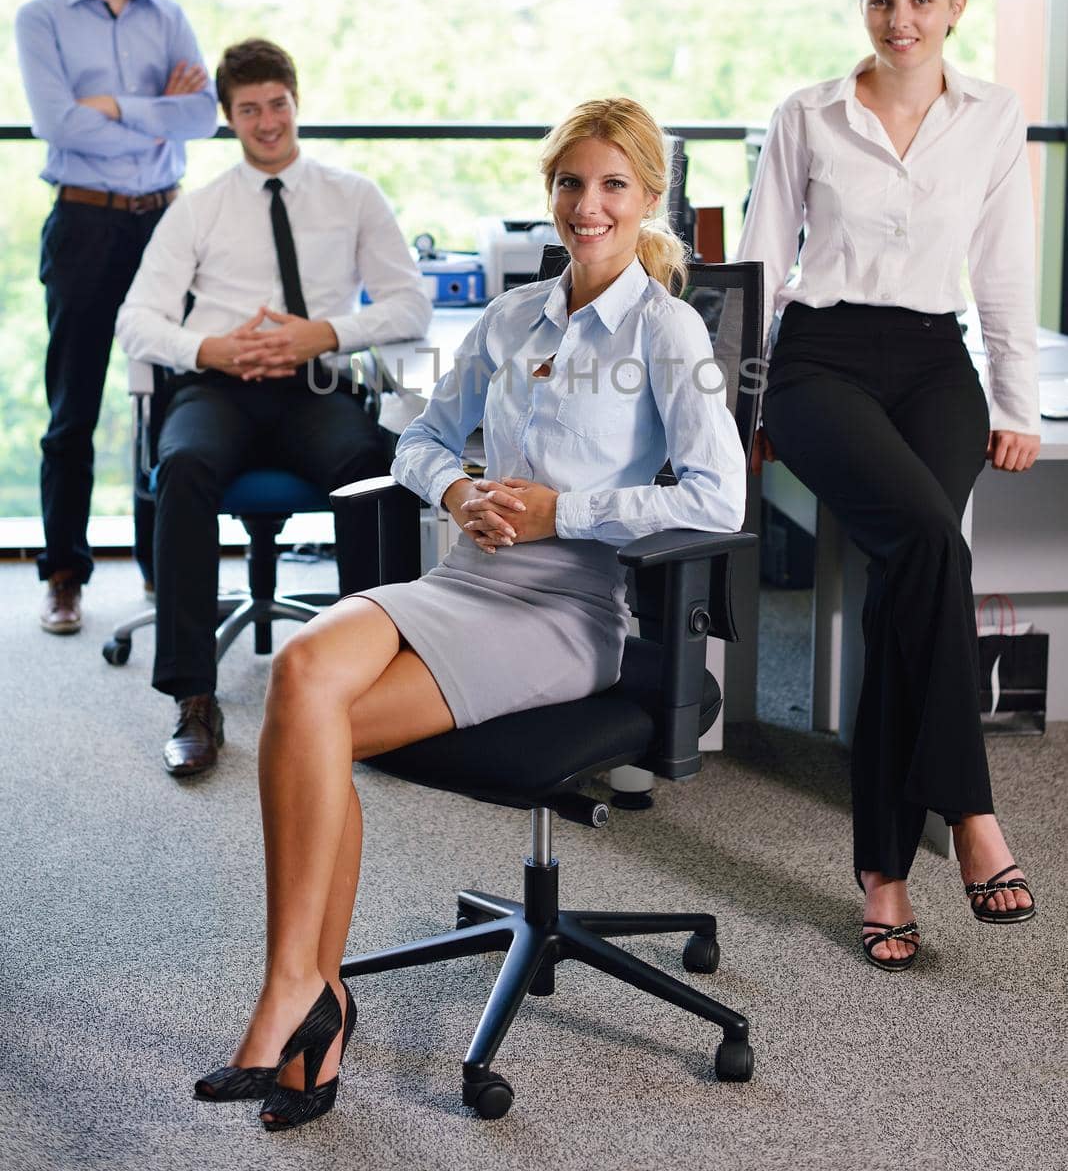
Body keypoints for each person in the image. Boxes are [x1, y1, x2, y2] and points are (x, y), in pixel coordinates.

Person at [191, 95, 747, 1131]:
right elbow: (420, 441)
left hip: (566, 611)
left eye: (613, 185)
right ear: (550, 193)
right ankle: (307, 989)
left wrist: (561, 509)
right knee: (303, 679)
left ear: (646, 199)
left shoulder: (667, 331)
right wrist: (456, 491)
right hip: (464, 584)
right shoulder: (509, 318)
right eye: (571, 183)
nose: (589, 205)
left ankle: (302, 1008)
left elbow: (719, 499)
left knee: (316, 723)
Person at [737, 0, 1040, 970]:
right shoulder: (809, 114)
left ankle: (883, 874)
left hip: (932, 360)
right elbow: (763, 261)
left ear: (955, 5)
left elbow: (1002, 267)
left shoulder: (995, 117)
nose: (900, 20)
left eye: (920, 0)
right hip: (821, 358)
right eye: (881, 1)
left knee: (907, 575)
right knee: (931, 544)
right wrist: (737, 407)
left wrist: (1016, 402)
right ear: (860, 6)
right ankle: (967, 812)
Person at [116, 37, 432, 777]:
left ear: (296, 102)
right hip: (217, 386)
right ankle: (194, 698)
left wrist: (324, 333)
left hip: (313, 386)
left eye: (278, 105)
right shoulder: (199, 209)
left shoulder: (353, 195)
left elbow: (409, 303)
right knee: (184, 464)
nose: (267, 121)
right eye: (250, 109)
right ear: (229, 117)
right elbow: (137, 319)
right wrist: (214, 349)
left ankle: (371, 688)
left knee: (371, 467)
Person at [15, 0, 216, 636]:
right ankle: (64, 576)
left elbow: (201, 116)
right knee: (74, 407)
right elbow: (56, 126)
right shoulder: (40, 18)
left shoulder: (169, 17)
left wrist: (119, 108)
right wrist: (156, 115)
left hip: (165, 228)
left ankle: (163, 571)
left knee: (166, 404)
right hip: (86, 224)